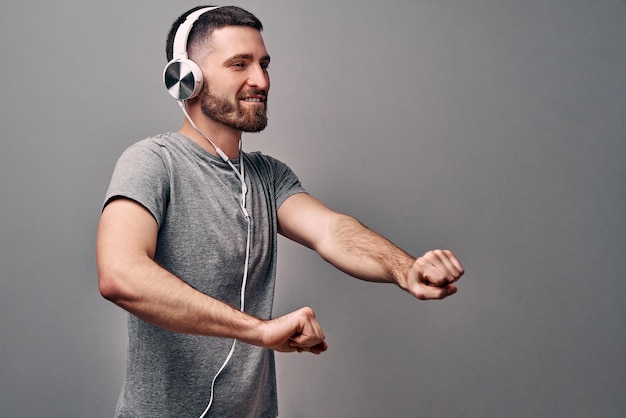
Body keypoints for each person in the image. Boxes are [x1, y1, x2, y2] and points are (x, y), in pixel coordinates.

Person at [96, 5, 465, 417]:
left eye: (264, 64)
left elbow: (332, 230)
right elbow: (120, 274)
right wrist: (259, 331)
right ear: (187, 78)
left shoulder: (268, 176)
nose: (261, 80)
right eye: (240, 64)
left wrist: (404, 268)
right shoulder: (152, 162)